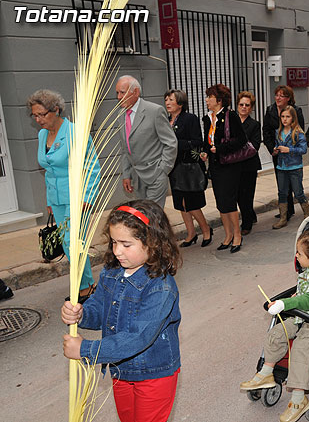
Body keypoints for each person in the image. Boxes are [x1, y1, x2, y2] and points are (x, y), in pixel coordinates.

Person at [61, 200, 182, 422]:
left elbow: (138, 337)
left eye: (126, 244)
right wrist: (81, 314)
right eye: (114, 242)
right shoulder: (111, 271)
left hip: (154, 374)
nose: (117, 251)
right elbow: (100, 307)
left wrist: (87, 349)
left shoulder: (161, 287)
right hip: (121, 371)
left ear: (153, 243)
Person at [240, 228, 309, 422]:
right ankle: (267, 372)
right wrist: (291, 298)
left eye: (299, 253)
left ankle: (299, 399)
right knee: (276, 333)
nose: (296, 256)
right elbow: (302, 292)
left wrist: (285, 304)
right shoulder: (308, 270)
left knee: (300, 349)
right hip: (302, 317)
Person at [29, 89, 99, 302]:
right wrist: (50, 201)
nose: (38, 119)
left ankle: (85, 286)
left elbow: (92, 167)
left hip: (78, 197)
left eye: (42, 114)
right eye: (35, 115)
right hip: (57, 199)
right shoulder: (42, 135)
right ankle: (85, 283)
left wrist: (87, 196)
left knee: (73, 241)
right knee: (69, 244)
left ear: (56, 110)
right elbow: (48, 170)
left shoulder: (76, 132)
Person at [116, 75, 177, 207]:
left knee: (151, 215)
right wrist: (126, 174)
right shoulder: (121, 115)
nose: (119, 97)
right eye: (117, 93)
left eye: (122, 92)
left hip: (156, 174)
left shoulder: (154, 111)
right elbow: (125, 148)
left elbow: (171, 143)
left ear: (136, 92)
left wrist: (163, 170)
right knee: (144, 217)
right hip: (137, 179)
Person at [202, 84, 248, 253]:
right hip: (215, 166)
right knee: (221, 202)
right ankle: (227, 235)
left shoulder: (231, 116)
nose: (207, 100)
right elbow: (207, 141)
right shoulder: (207, 118)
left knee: (229, 202)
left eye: (209, 97)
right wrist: (205, 152)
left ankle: (237, 235)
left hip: (229, 166)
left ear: (219, 100)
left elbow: (241, 139)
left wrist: (220, 149)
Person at [164, 89, 212, 248]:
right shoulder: (165, 120)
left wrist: (176, 144)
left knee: (191, 202)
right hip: (173, 167)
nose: (168, 103)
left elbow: (197, 142)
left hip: (188, 166)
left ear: (180, 102)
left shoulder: (190, 119)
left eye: (171, 100)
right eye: (166, 100)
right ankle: (191, 233)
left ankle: (206, 230)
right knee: (180, 203)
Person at [263, 86, 305, 220]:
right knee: (282, 186)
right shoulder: (270, 110)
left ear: (288, 98)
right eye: (277, 95)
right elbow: (267, 132)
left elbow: (300, 131)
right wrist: (272, 149)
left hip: (292, 156)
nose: (278, 98)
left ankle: (303, 212)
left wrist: (290, 148)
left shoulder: (296, 110)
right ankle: (285, 212)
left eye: (282, 96)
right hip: (278, 154)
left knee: (297, 188)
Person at [272, 106, 309, 229]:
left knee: (298, 192)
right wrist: (276, 150)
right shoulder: (278, 132)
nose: (284, 119)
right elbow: (278, 146)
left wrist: (289, 150)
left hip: (295, 167)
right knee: (282, 193)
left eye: (287, 116)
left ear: (293, 118)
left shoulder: (298, 133)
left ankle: (307, 213)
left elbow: (303, 149)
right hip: (281, 167)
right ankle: (283, 218)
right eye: (283, 116)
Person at [236, 91, 262, 236]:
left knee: (247, 194)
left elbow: (255, 145)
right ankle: (250, 215)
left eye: (247, 105)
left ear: (251, 108)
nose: (244, 107)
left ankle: (246, 223)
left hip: (249, 165)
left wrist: (236, 149)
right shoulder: (232, 122)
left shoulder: (254, 124)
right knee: (238, 194)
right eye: (241, 104)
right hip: (234, 165)